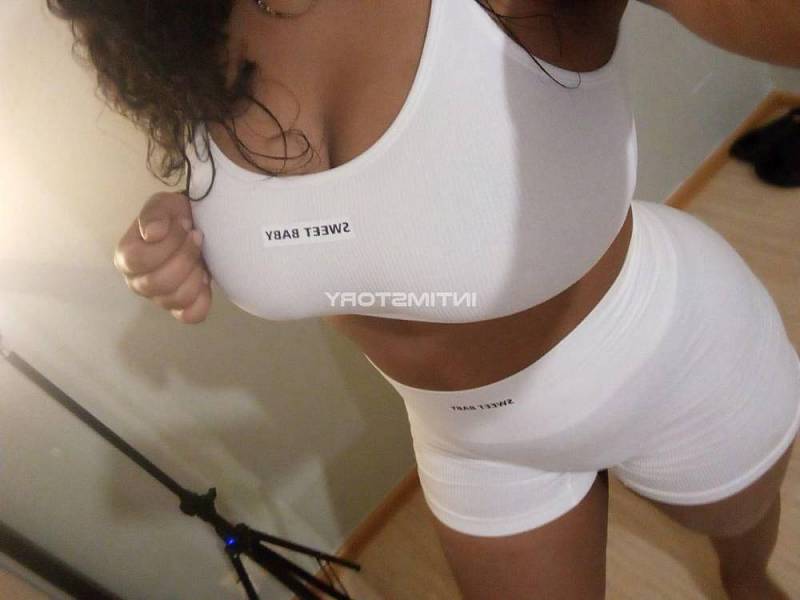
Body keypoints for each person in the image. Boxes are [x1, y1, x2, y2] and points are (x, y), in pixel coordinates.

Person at [49, 0, 799, 597]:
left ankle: (745, 581)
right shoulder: (176, 35)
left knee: (741, 546)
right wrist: (194, 224)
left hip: (669, 364)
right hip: (470, 443)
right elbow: (372, 206)